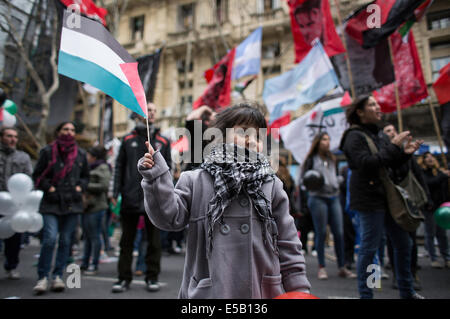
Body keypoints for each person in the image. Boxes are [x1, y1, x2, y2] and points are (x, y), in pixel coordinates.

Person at [138, 103, 311, 298]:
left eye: (258, 136)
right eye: (244, 132)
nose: (251, 141)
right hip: (210, 292)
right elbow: (168, 218)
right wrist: (156, 176)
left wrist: (299, 290)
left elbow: (288, 244)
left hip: (262, 292)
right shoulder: (195, 180)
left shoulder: (272, 185)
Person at [339, 96, 424, 299]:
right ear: (360, 111)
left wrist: (404, 155)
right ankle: (366, 294)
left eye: (377, 104)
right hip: (368, 200)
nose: (378, 108)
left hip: (387, 198)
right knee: (369, 249)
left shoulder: (379, 134)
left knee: (404, 244)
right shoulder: (353, 136)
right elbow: (366, 163)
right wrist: (394, 147)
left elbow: (388, 164)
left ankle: (407, 290)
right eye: (372, 105)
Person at [111, 102, 172, 293]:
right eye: (148, 111)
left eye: (154, 111)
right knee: (126, 241)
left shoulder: (163, 141)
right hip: (130, 198)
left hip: (154, 199)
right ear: (139, 115)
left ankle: (152, 277)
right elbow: (119, 167)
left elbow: (167, 169)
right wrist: (114, 192)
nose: (152, 113)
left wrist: (167, 195)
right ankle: (123, 278)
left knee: (154, 242)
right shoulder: (127, 140)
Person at [32, 122, 89, 294]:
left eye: (72, 130)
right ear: (58, 132)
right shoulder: (47, 151)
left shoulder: (80, 154)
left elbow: (86, 176)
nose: (69, 133)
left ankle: (57, 276)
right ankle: (42, 277)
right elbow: (37, 175)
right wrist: (48, 187)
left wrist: (80, 187)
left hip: (72, 203)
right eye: (66, 129)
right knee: (49, 239)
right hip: (52, 202)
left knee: (65, 241)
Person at [382, 123, 431, 289]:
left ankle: (411, 273)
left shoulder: (406, 154)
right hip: (392, 202)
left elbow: (417, 176)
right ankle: (398, 275)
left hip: (408, 201)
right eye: (387, 131)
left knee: (410, 239)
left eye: (393, 130)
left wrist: (426, 197)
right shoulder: (384, 154)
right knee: (394, 239)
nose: (391, 133)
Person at [302, 132, 356, 280]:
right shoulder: (311, 160)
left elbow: (337, 176)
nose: (327, 142)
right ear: (318, 142)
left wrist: (337, 181)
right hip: (318, 198)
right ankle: (322, 267)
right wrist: (315, 183)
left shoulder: (333, 159)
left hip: (333, 197)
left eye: (329, 139)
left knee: (339, 233)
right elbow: (304, 181)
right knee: (320, 233)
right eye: (324, 139)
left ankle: (342, 267)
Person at [0, 127, 33, 279]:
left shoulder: (23, 157)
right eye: (9, 136)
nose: (12, 139)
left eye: (15, 137)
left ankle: (11, 266)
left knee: (14, 239)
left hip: (14, 205)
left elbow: (29, 178)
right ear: (2, 137)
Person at [80, 146, 112, 275]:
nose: (87, 158)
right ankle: (85, 262)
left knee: (94, 236)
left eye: (89, 155)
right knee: (87, 236)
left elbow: (104, 185)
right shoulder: (88, 167)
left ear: (94, 156)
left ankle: (94, 264)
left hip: (97, 206)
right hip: (87, 206)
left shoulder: (103, 167)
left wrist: (85, 185)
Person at [418, 152, 450, 269]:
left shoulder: (440, 172)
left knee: (442, 234)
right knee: (430, 233)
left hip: (441, 206)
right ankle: (433, 257)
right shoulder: (423, 173)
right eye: (426, 157)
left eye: (432, 156)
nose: (430, 158)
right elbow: (429, 183)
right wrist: (443, 176)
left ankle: (446, 257)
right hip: (430, 207)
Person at [183, 105, 216, 171]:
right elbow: (190, 118)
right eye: (215, 116)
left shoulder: (223, 134)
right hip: (194, 171)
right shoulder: (201, 129)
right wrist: (204, 108)